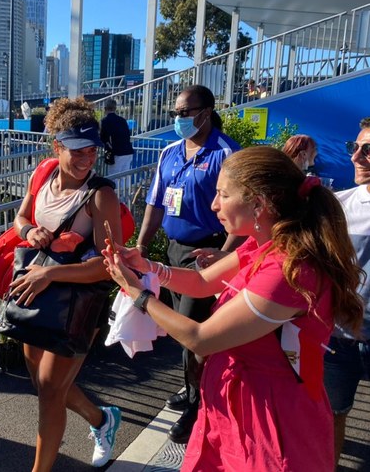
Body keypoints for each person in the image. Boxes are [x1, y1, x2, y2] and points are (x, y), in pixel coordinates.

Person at [105, 146, 364, 471]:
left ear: (259, 204)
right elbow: (202, 281)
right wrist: (149, 267)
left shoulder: (288, 271)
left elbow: (200, 338)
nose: (214, 204)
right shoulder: (266, 243)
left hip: (269, 418)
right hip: (239, 404)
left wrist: (138, 294)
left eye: (223, 195)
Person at [9, 97, 122, 471]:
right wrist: (29, 230)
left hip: (77, 304)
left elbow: (110, 266)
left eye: (93, 150)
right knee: (45, 385)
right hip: (38, 294)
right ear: (57, 146)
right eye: (78, 150)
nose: (87, 158)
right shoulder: (42, 175)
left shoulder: (101, 195)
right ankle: (102, 419)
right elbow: (20, 217)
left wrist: (50, 274)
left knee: (50, 391)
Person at [136, 84, 242, 443]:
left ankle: (197, 407)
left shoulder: (226, 153)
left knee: (194, 333)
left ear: (206, 113)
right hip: (174, 251)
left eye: (185, 113)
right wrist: (141, 247)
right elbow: (155, 204)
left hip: (207, 254)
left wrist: (224, 255)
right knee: (184, 331)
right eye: (175, 113)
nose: (178, 119)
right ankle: (193, 386)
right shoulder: (170, 152)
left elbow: (240, 210)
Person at [323, 118, 370, 465]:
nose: (356, 157)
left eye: (368, 150)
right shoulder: (337, 206)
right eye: (355, 147)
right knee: (331, 417)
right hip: (339, 337)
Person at [100, 99, 134, 194]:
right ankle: (126, 197)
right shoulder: (122, 120)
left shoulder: (105, 121)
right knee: (126, 175)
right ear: (115, 108)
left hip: (116, 153)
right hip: (128, 151)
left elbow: (103, 138)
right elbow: (127, 135)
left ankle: (115, 197)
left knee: (114, 176)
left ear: (105, 108)